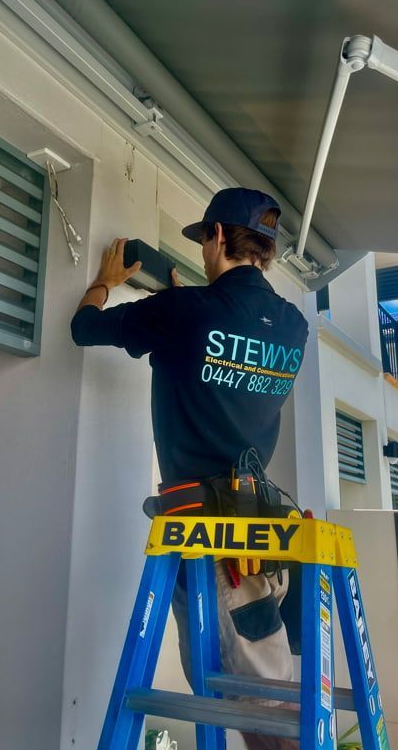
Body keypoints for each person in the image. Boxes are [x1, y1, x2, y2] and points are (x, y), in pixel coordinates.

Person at [71, 187, 308, 750]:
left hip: (208, 533)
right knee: (258, 695)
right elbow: (224, 360)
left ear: (218, 236)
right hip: (260, 530)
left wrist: (103, 282)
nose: (203, 249)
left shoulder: (185, 313)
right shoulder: (293, 324)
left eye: (204, 237)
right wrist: (187, 314)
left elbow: (84, 329)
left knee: (262, 713)